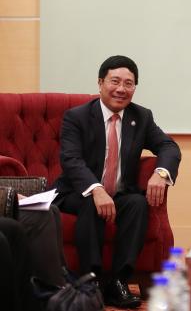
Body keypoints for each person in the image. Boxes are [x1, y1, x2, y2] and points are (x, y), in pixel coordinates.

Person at [53, 55, 181, 309]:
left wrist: (161, 172)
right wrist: (96, 189)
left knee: (137, 204)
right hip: (78, 193)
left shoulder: (141, 117)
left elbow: (168, 146)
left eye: (129, 83)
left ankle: (119, 281)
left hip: (120, 193)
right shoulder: (77, 117)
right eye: (115, 81)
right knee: (91, 204)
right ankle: (91, 281)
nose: (121, 89)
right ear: (100, 83)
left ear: (134, 88)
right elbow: (71, 159)